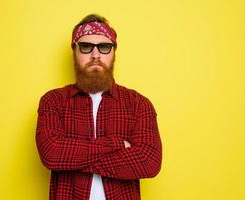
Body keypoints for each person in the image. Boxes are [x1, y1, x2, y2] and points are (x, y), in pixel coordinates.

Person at [35, 13, 162, 200]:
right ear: (75, 52)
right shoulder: (53, 101)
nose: (95, 55)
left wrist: (72, 157)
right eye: (86, 47)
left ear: (113, 52)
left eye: (104, 47)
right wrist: (117, 144)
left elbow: (149, 163)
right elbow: (51, 153)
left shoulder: (138, 104)